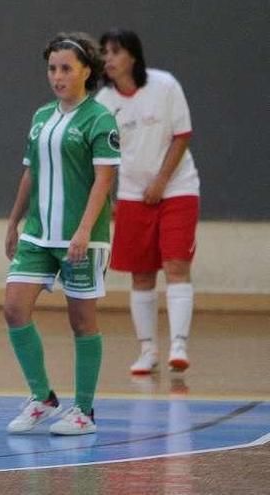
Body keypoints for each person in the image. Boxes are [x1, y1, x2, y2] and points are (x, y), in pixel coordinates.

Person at [3, 32, 119, 436]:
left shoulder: (99, 119)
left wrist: (84, 231)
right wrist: (13, 222)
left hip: (79, 238)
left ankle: (84, 410)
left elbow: (104, 179)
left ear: (87, 70)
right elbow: (31, 172)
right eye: (52, 68)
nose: (57, 76)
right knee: (14, 308)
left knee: (82, 321)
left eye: (66, 68)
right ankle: (43, 397)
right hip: (37, 235)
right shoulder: (41, 118)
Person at [96, 29, 200, 375]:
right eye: (104, 52)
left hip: (177, 188)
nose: (108, 59)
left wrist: (160, 181)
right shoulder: (103, 103)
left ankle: (179, 345)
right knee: (141, 274)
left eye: (115, 52)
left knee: (175, 266)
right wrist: (109, 196)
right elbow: (102, 156)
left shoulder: (165, 85)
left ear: (133, 56)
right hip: (131, 195)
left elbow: (181, 136)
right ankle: (148, 350)